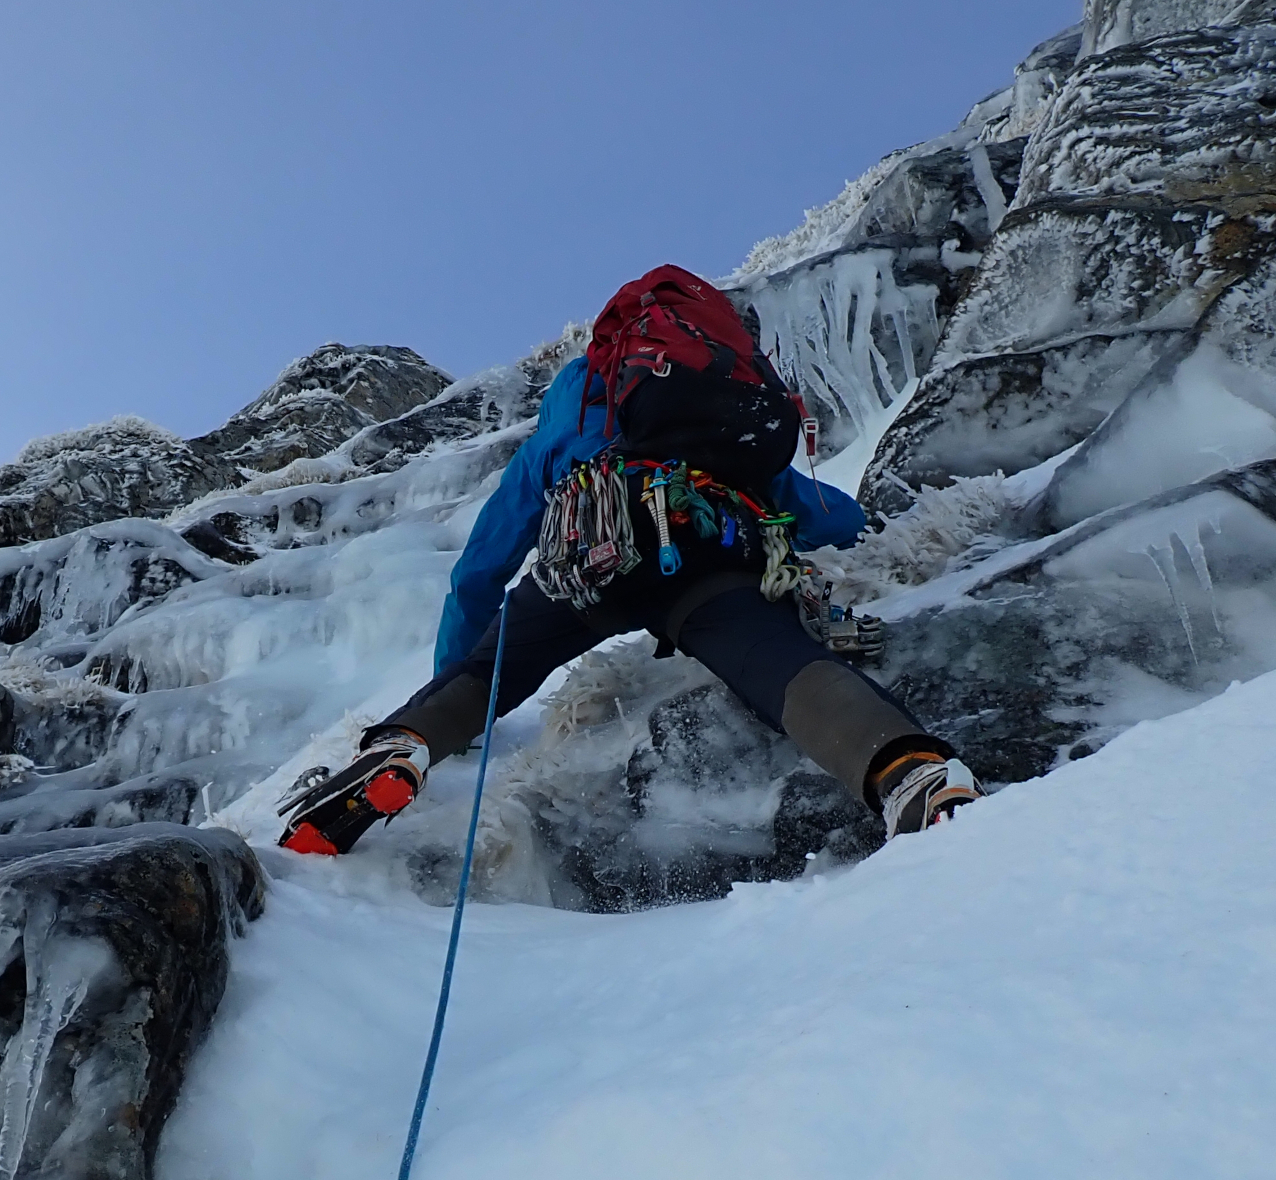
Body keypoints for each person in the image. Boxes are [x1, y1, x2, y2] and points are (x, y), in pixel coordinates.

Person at [279, 264, 981, 856]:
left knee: (486, 673)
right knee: (776, 660)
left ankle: (402, 748)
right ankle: (907, 770)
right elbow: (805, 505)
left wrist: (458, 689)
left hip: (583, 551)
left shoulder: (574, 402)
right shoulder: (711, 403)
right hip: (702, 547)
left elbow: (481, 569)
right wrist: (864, 524)